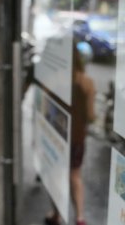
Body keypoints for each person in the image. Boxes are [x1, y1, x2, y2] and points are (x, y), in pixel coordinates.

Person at [45, 44, 96, 225]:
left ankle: (56, 214)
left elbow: (46, 111)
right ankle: (80, 217)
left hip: (57, 136)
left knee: (55, 175)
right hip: (77, 137)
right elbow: (91, 115)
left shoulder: (52, 79)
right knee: (75, 176)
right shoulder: (87, 82)